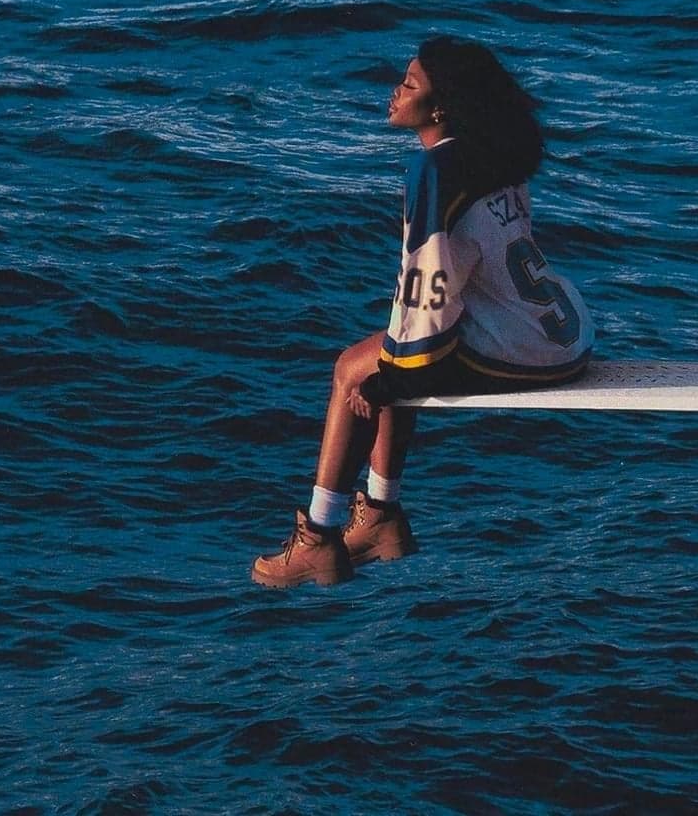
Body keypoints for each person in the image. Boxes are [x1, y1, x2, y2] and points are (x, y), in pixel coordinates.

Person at [251, 36, 594, 588]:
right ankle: (380, 515)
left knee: (353, 369)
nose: (394, 91)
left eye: (409, 84)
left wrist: (392, 381)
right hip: (562, 337)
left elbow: (428, 280)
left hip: (521, 352)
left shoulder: (435, 171)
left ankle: (319, 538)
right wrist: (396, 369)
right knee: (392, 352)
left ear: (440, 108)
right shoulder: (494, 152)